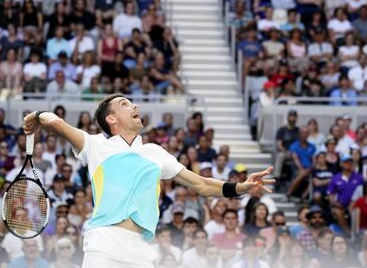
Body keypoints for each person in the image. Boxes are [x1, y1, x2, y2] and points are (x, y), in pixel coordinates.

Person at [22, 94, 275, 267]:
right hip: (104, 244)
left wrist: (241, 187)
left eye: (132, 103)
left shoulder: (155, 153)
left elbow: (201, 184)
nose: (134, 107)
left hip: (141, 249)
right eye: (124, 104)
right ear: (111, 119)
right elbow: (55, 123)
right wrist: (37, 115)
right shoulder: (96, 145)